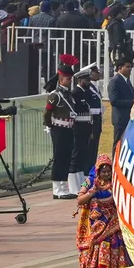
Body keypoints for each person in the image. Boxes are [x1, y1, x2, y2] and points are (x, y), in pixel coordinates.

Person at [76, 154, 131, 268]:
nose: (106, 174)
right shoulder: (90, 181)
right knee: (98, 254)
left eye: (108, 171)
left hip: (113, 225)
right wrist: (91, 194)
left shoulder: (115, 182)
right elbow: (80, 199)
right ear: (98, 171)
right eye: (103, 171)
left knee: (116, 253)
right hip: (97, 226)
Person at [44, 57, 79, 200]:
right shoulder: (55, 95)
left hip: (68, 129)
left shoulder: (69, 95)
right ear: (61, 79)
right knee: (59, 158)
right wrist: (49, 125)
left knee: (66, 158)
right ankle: (57, 189)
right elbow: (47, 113)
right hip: (58, 129)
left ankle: (63, 187)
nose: (70, 82)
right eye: (68, 79)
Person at [69, 70, 95, 195]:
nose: (89, 82)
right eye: (86, 80)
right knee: (75, 155)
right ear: (80, 80)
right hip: (78, 128)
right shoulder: (76, 93)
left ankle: (80, 183)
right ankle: (72, 185)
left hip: (86, 127)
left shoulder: (86, 93)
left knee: (82, 156)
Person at [109, 57, 134, 149]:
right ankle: (115, 162)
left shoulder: (127, 81)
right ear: (120, 68)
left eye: (131, 67)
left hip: (128, 118)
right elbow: (114, 101)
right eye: (127, 67)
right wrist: (131, 102)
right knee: (118, 144)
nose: (130, 69)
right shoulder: (115, 81)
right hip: (120, 119)